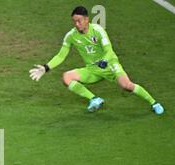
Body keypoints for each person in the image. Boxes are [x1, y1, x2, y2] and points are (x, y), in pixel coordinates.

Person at [29, 6, 165, 115]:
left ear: (87, 19)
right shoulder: (71, 36)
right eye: (74, 21)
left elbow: (109, 50)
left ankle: (154, 103)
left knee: (127, 85)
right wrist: (46, 67)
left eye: (79, 21)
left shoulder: (98, 30)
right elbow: (60, 56)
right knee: (66, 77)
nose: (77, 24)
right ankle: (95, 99)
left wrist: (105, 61)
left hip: (110, 65)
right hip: (92, 70)